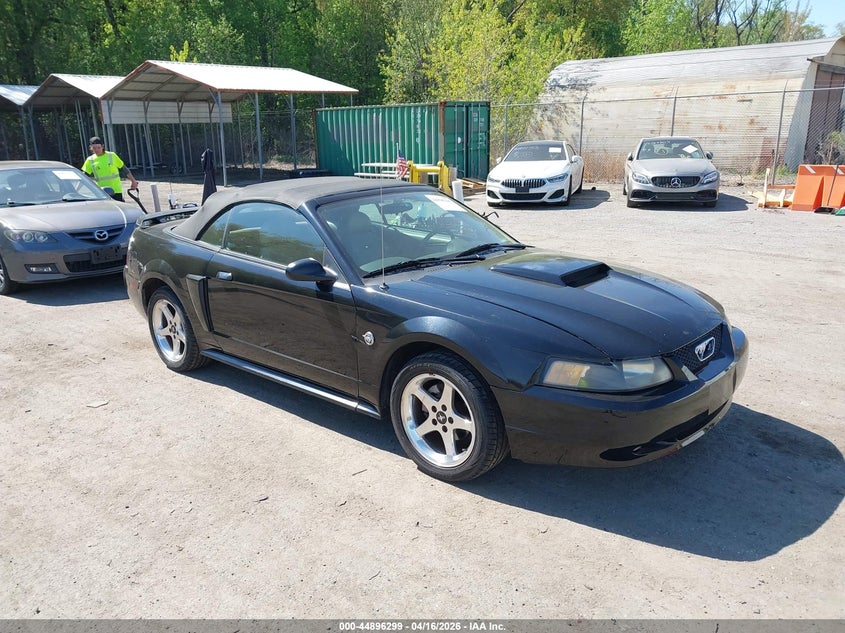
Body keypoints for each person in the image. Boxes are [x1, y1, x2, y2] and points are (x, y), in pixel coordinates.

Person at [81, 136, 138, 201]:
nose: (96, 150)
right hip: (101, 191)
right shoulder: (90, 160)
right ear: (91, 148)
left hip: (116, 190)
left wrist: (133, 181)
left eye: (98, 147)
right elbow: (83, 176)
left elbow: (123, 168)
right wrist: (75, 189)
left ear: (102, 146)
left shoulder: (111, 155)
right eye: (94, 148)